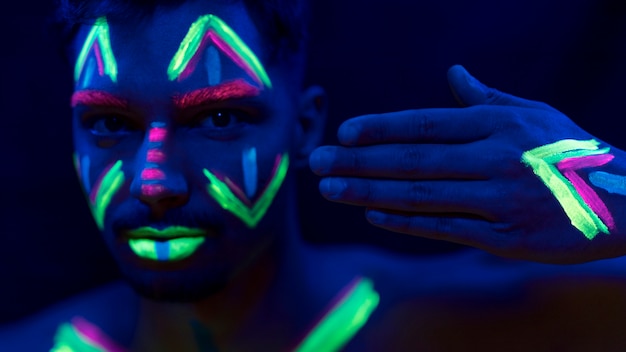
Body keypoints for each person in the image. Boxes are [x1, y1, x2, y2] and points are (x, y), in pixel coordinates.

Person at [3, 0, 626, 350]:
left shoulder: (465, 324)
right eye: (110, 125)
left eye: (218, 118)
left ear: (304, 126)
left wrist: (616, 196)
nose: (154, 182)